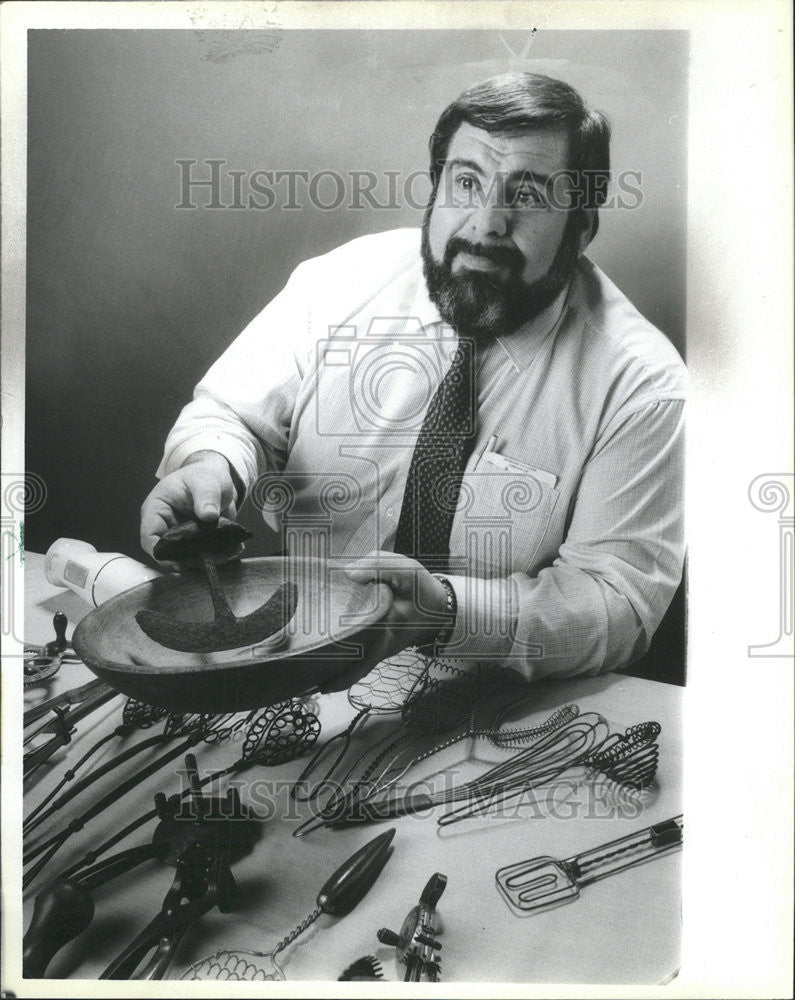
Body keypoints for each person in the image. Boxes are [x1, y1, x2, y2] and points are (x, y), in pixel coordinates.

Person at [140, 72, 686, 689]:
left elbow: (619, 603)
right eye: (467, 182)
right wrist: (211, 466)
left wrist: (444, 614)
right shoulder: (341, 281)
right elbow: (231, 416)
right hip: (292, 661)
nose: (485, 223)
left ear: (581, 227)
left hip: (495, 698)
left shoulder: (643, 384)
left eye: (528, 196)